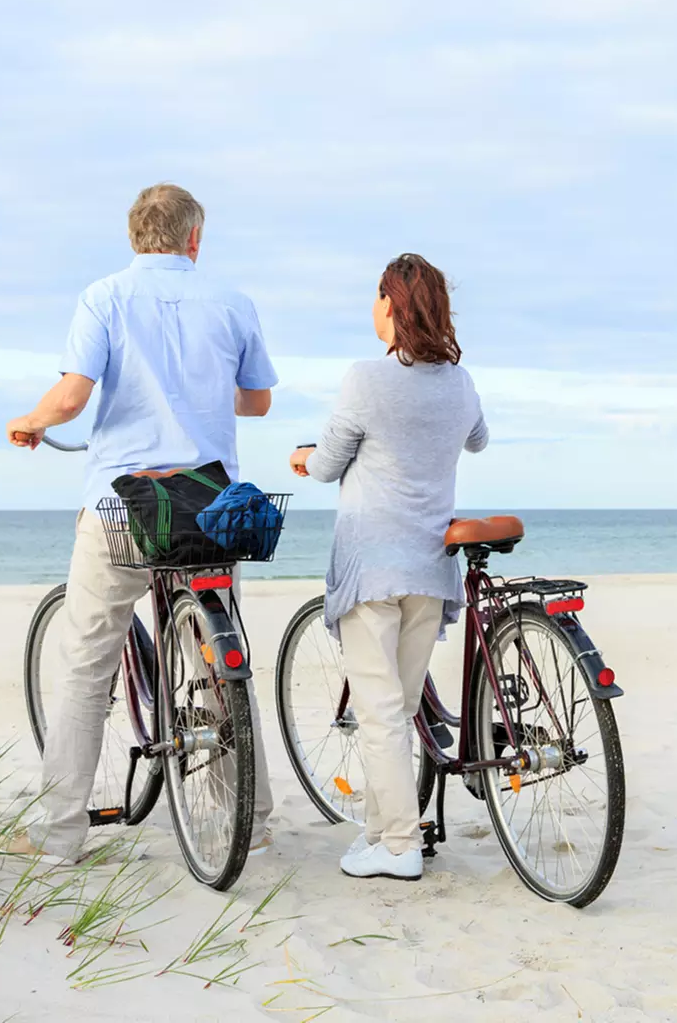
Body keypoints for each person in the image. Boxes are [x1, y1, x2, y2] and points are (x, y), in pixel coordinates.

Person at [1, 183, 279, 862]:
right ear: (194, 239)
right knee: (218, 659)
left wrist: (31, 421)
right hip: (210, 503)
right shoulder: (232, 302)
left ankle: (60, 835)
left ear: (134, 236)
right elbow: (258, 402)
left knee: (86, 664)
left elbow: (72, 398)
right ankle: (249, 818)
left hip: (124, 500)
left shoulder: (104, 297)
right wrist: (200, 393)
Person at [289, 253, 488, 881]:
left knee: (379, 713)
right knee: (394, 712)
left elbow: (327, 465)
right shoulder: (459, 382)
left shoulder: (366, 379)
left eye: (377, 299)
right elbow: (478, 439)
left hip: (373, 566)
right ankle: (378, 835)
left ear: (391, 304)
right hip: (429, 567)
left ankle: (401, 846)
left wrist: (304, 457)